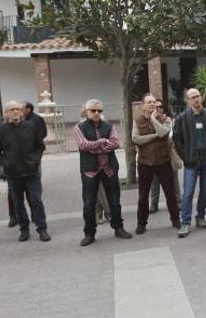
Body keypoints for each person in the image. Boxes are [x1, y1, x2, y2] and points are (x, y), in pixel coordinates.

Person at [73, 99, 131, 246]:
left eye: (99, 110)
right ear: (86, 112)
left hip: (109, 169)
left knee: (114, 200)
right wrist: (102, 142)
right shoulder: (79, 128)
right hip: (90, 170)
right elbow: (83, 145)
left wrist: (96, 147)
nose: (97, 113)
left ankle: (118, 227)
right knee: (89, 203)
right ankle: (89, 233)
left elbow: (115, 143)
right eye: (93, 110)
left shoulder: (109, 126)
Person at [0, 101, 50, 242]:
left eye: (18, 109)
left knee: (36, 200)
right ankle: (24, 229)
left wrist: (36, 160)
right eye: (12, 110)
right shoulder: (0, 131)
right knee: (18, 202)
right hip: (13, 173)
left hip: (31, 171)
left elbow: (40, 146)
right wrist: (6, 163)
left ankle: (42, 229)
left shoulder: (30, 126)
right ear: (6, 113)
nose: (16, 112)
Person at [173, 88, 206, 238]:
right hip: (191, 161)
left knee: (205, 191)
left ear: (202, 97)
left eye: (198, 96)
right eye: (192, 97)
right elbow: (177, 139)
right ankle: (185, 222)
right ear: (188, 101)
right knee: (188, 193)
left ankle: (200, 217)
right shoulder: (182, 118)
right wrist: (185, 157)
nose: (196, 99)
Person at [133, 93, 180, 235]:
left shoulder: (166, 119)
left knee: (170, 194)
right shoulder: (137, 120)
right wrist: (154, 136)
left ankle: (175, 219)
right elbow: (136, 139)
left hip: (163, 161)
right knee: (143, 196)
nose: (152, 104)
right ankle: (141, 223)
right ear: (143, 105)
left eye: (154, 102)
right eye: (149, 102)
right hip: (144, 163)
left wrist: (153, 118)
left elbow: (164, 132)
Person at [149, 101, 181, 214]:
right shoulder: (149, 120)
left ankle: (178, 201)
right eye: (156, 107)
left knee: (174, 178)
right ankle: (154, 203)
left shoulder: (169, 120)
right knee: (154, 180)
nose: (158, 109)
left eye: (161, 107)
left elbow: (165, 134)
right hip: (154, 154)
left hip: (168, 153)